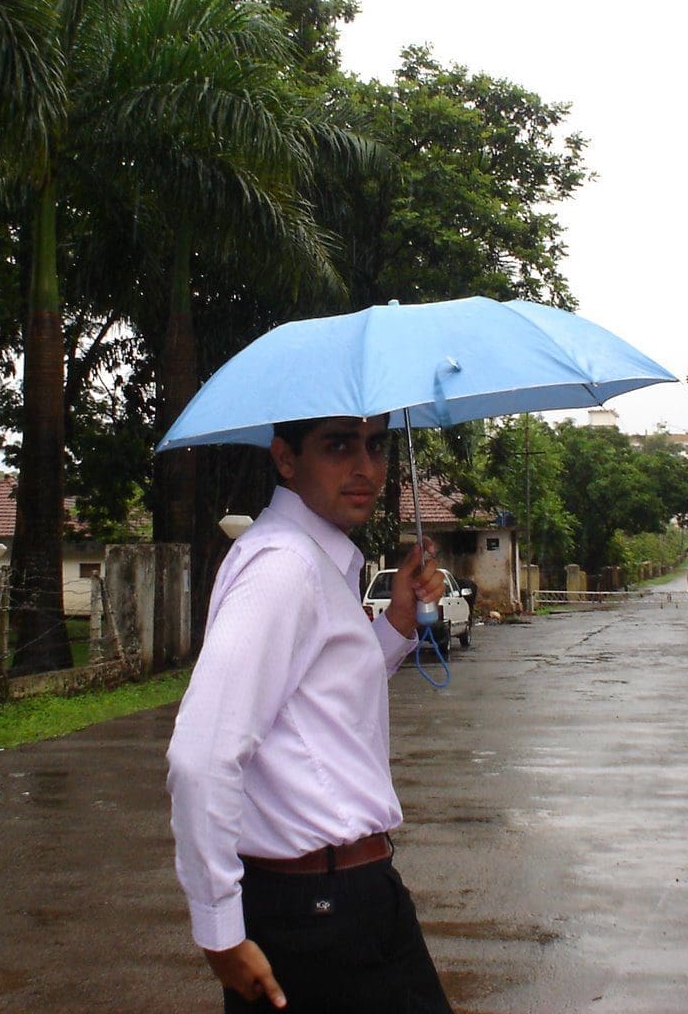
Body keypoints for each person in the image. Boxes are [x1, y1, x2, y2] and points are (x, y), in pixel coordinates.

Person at [166, 413, 454, 1013]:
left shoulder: (314, 562)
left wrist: (398, 621)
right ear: (285, 458)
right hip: (320, 911)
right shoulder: (283, 568)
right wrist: (219, 933)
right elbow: (201, 755)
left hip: (342, 898)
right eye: (338, 445)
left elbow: (322, 708)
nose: (365, 468)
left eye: (375, 446)